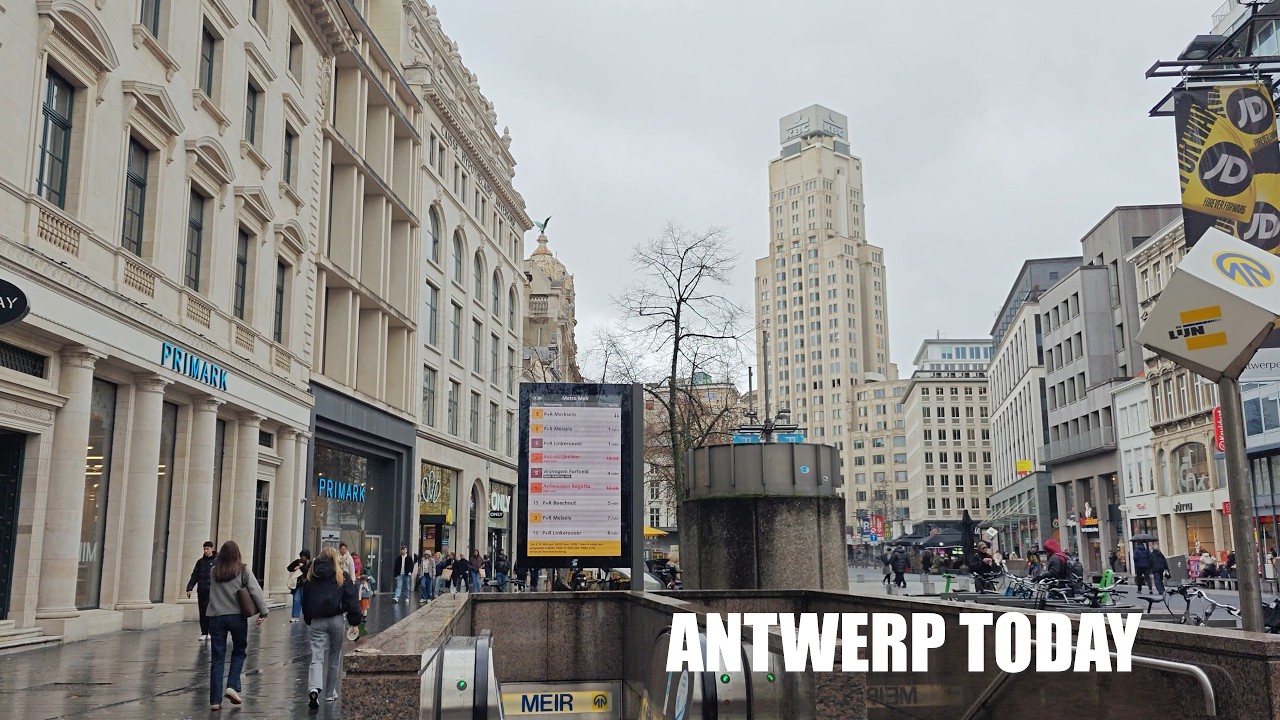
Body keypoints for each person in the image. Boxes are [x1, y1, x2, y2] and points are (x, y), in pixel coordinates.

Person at [206, 541, 268, 711]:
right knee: (239, 650)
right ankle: (232, 685)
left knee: (217, 658)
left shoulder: (214, 571)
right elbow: (255, 590)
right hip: (236, 616)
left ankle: (215, 701)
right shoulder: (242, 570)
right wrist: (263, 611)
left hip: (216, 616)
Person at [300, 546, 361, 709]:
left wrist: (308, 618)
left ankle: (314, 688)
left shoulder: (311, 576)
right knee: (334, 657)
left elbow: (305, 599)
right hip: (336, 620)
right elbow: (351, 599)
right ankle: (330, 693)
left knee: (317, 656)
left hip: (316, 620)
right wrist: (355, 621)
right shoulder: (342, 575)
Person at [185, 541, 217, 641]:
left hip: (212, 592)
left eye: (207, 549)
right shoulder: (200, 562)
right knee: (202, 612)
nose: (206, 551)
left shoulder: (217, 561)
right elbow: (195, 575)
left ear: (211, 548)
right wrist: (189, 588)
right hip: (202, 591)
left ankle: (211, 632)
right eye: (204, 549)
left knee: (210, 612)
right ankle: (204, 632)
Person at [286, 550, 311, 623]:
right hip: (298, 584)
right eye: (302, 556)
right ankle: (295, 616)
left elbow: (309, 571)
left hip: (306, 585)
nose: (303, 558)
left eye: (304, 556)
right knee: (296, 599)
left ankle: (306, 615)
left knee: (305, 600)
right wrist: (295, 568)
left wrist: (302, 566)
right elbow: (289, 568)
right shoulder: (298, 561)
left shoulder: (310, 563)